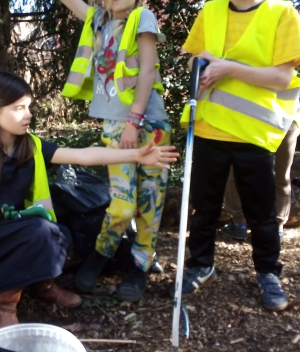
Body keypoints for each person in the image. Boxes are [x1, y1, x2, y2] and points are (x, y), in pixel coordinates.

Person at [0, 71, 179, 330]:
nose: (28, 114)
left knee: (59, 233)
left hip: (15, 232)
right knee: (40, 232)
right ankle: (1, 307)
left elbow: (83, 155)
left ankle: (43, 286)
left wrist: (136, 155)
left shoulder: (31, 146)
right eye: (19, 108)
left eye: (29, 107)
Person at [178, 0, 300, 311]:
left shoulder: (282, 12)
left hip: (255, 133)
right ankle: (200, 264)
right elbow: (191, 61)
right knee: (204, 207)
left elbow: (282, 78)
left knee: (261, 212)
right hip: (210, 127)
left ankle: (268, 273)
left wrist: (228, 68)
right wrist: (201, 62)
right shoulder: (210, 11)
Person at [58, 0, 171, 302]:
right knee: (121, 204)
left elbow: (147, 72)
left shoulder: (141, 17)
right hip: (114, 126)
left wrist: (133, 121)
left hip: (150, 124)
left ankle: (139, 266)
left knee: (150, 202)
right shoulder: (97, 20)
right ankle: (101, 252)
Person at [223, 120, 300, 242]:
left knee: (235, 170)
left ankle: (239, 224)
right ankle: (276, 228)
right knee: (282, 176)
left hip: (251, 118)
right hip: (287, 120)